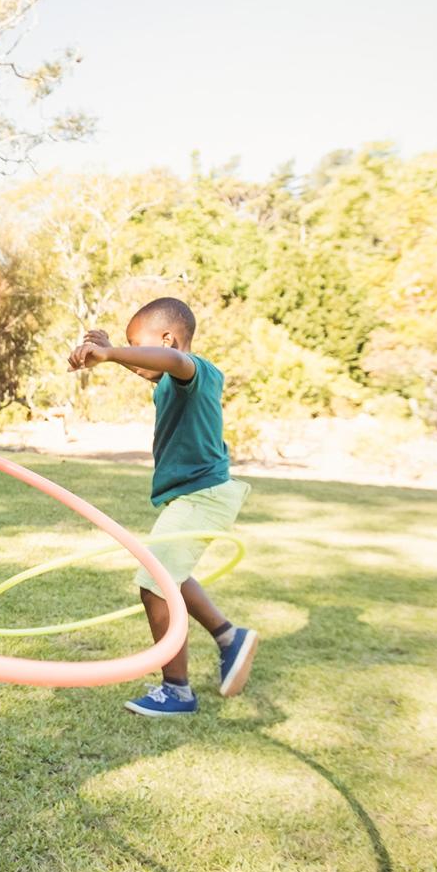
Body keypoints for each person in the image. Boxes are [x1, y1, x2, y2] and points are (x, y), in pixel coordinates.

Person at [69, 296, 258, 716]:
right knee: (174, 573)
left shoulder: (195, 370)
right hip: (196, 495)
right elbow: (154, 366)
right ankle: (230, 637)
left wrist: (112, 352)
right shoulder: (171, 383)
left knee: (155, 584)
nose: (135, 356)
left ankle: (177, 690)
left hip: (202, 495)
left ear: (169, 340)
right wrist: (114, 355)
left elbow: (169, 361)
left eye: (139, 346)